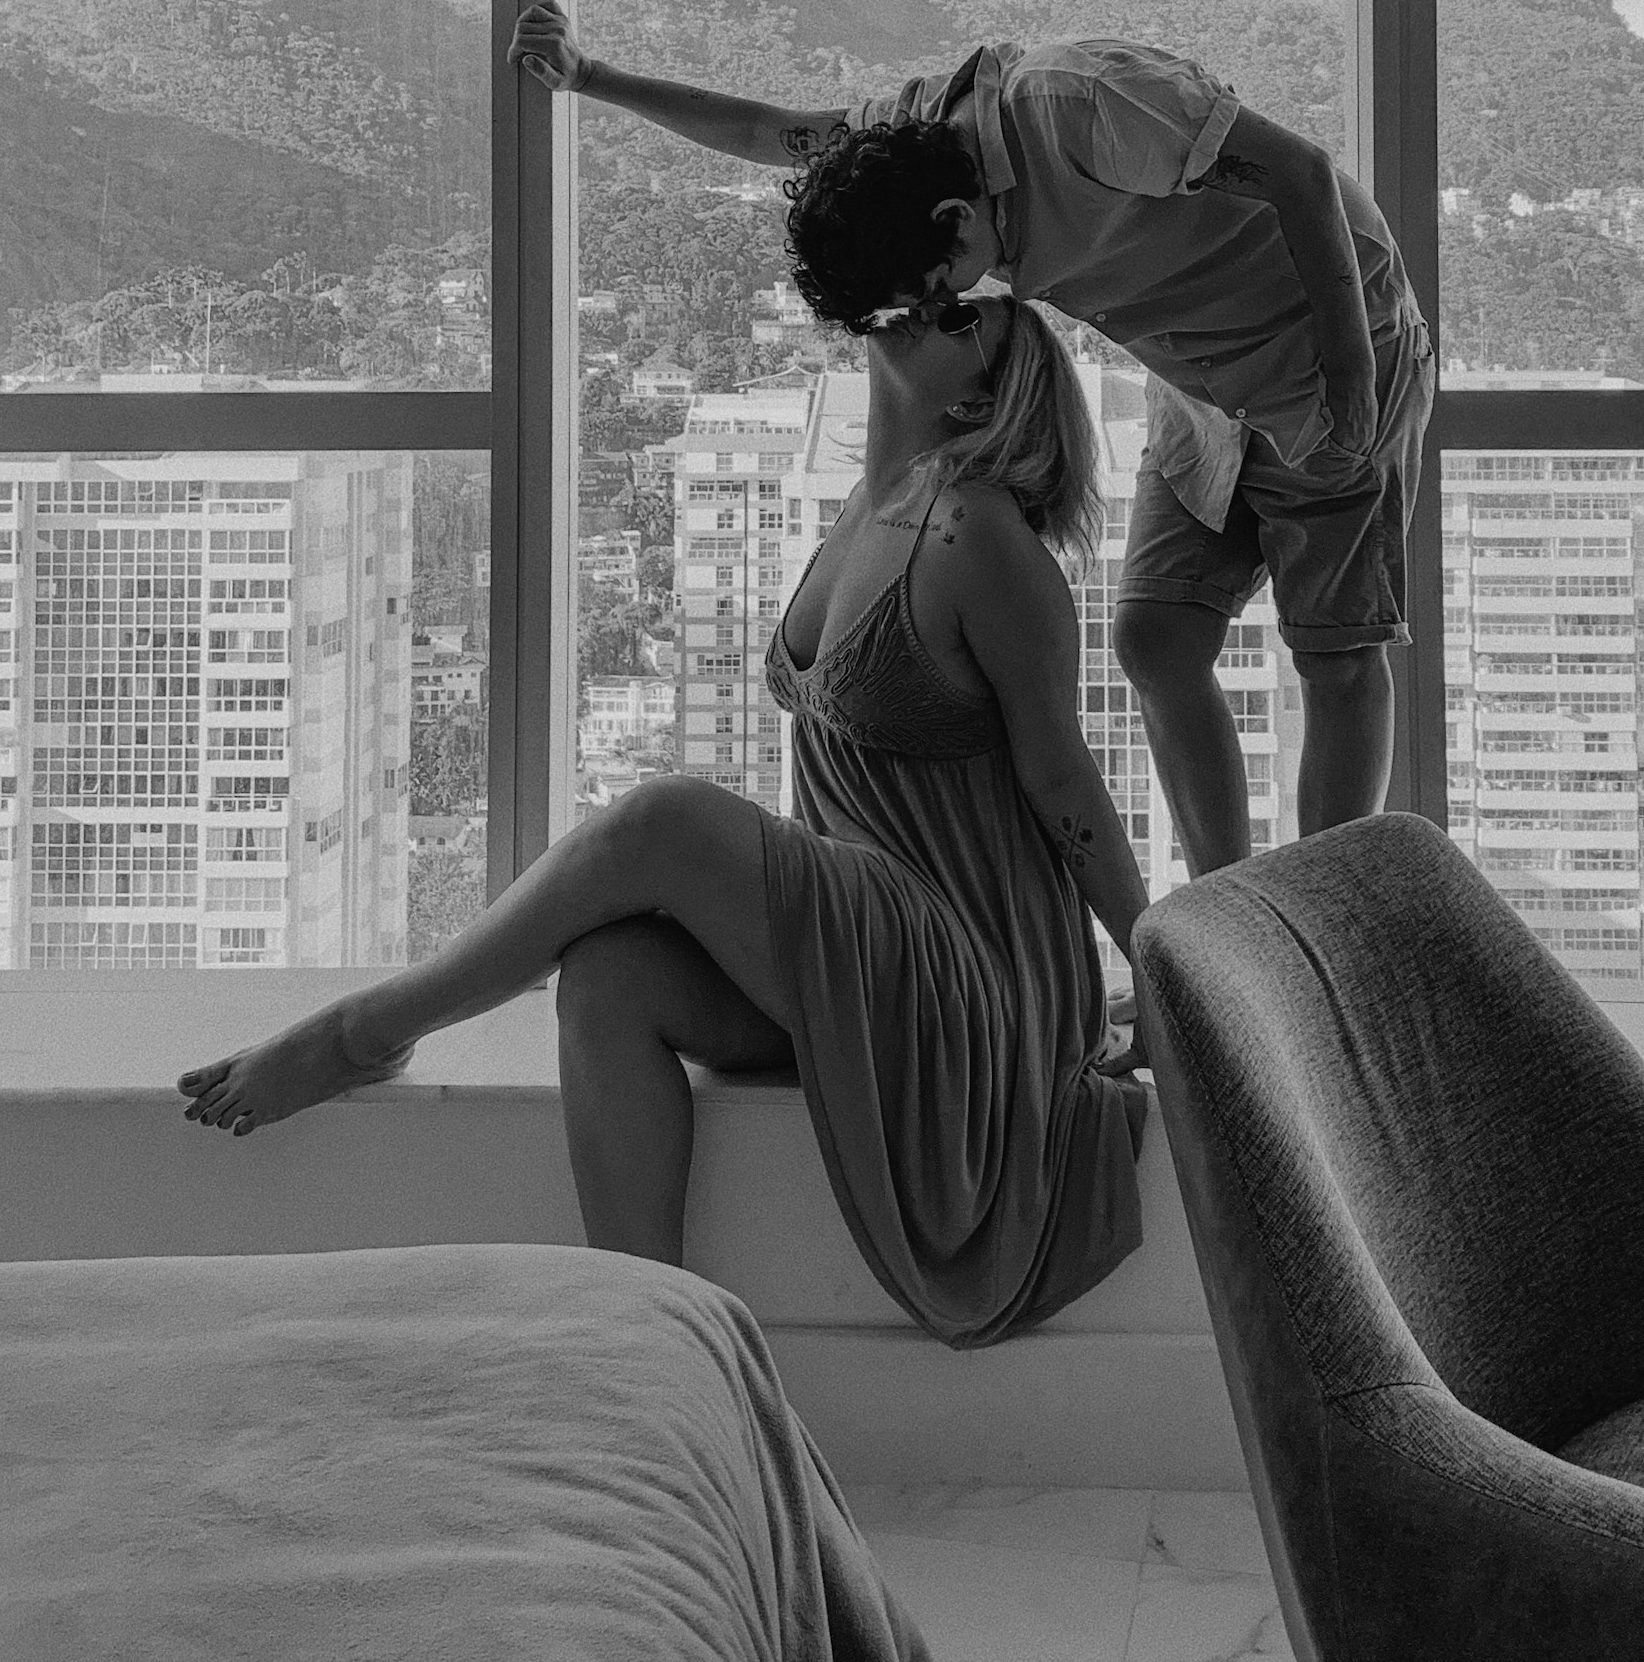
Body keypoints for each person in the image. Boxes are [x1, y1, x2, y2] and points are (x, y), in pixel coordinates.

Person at [178, 293, 1149, 1350]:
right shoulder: (872, 506)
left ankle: (368, 1030)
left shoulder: (982, 539)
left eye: (964, 318)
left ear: (983, 394)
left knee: (663, 820)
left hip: (960, 966)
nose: (927, 305)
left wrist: (1157, 967)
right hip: (856, 955)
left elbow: (1067, 790)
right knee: (610, 976)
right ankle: (650, 1339)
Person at [508, 8, 1434, 889]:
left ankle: (1328, 932)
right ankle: (1227, 925)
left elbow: (1303, 175)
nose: (946, 309)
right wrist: (591, 76)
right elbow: (769, 132)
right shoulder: (895, 152)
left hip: (1332, 344)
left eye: (935, 291)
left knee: (1337, 655)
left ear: (956, 217)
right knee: (1156, 637)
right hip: (1200, 387)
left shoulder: (1085, 104)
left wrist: (1354, 377)